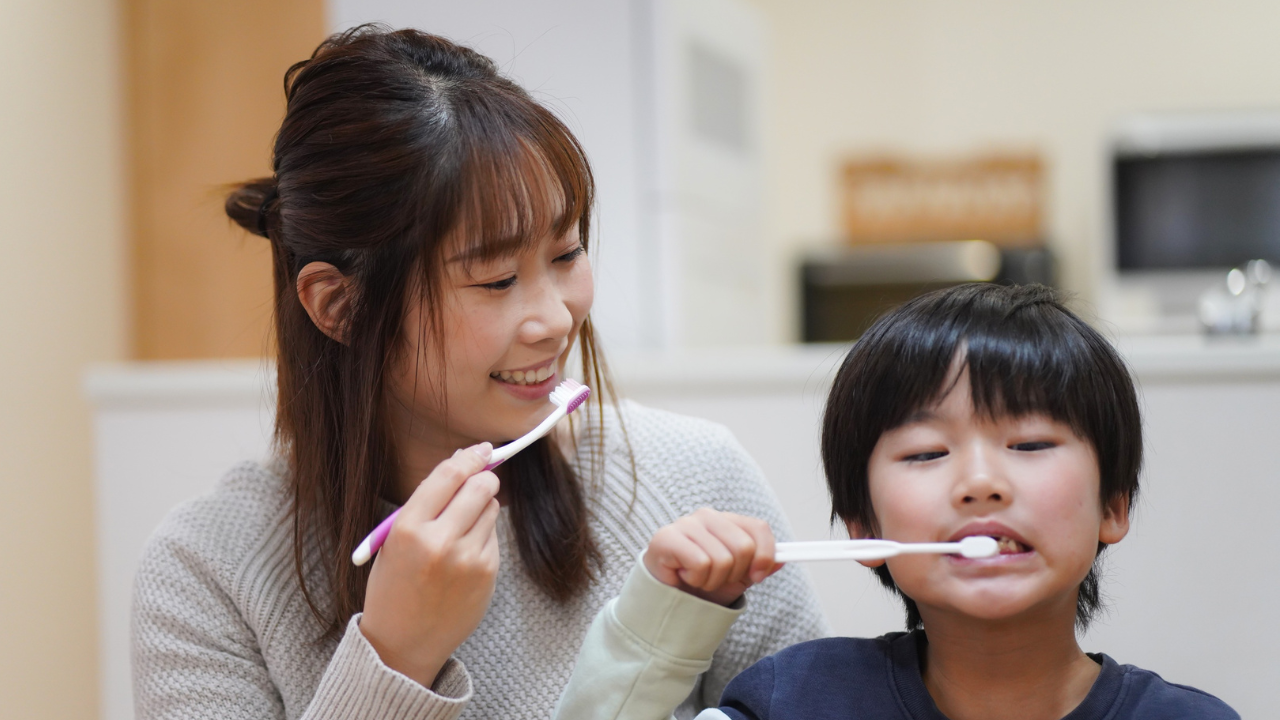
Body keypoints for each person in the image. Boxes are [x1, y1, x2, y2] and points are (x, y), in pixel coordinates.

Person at [130, 25, 827, 720]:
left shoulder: (694, 481)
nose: (555, 319)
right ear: (339, 305)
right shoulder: (204, 575)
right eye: (495, 280)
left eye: (566, 255)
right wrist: (396, 655)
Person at [554, 283, 1239, 719]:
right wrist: (659, 619)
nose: (979, 482)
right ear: (862, 527)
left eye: (1029, 444)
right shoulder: (795, 703)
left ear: (1114, 507)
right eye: (925, 454)